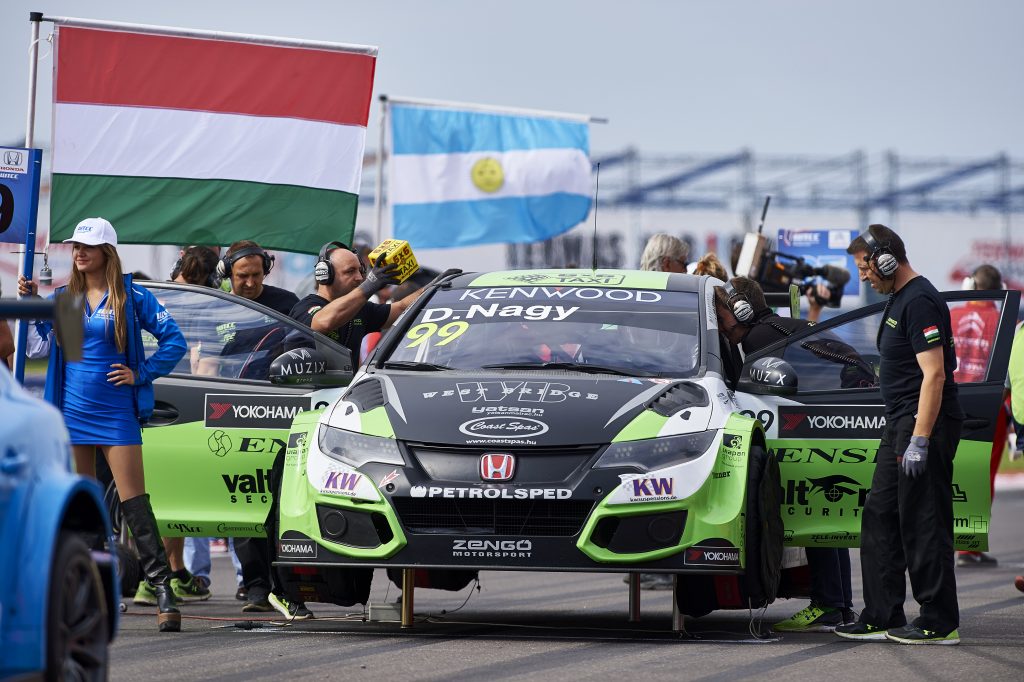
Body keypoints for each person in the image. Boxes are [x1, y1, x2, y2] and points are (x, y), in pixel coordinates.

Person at [19, 217, 187, 632]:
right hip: (73, 412)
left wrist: (141, 373)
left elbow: (175, 341)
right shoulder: (66, 297)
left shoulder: (132, 296)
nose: (79, 252)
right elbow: (68, 348)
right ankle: (94, 589)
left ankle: (164, 590)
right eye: (76, 246)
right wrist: (39, 305)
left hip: (115, 413)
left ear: (106, 252)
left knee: (134, 504)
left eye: (88, 247)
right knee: (86, 504)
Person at [835, 224, 964, 645]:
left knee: (923, 520)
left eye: (865, 267)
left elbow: (935, 375)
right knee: (880, 515)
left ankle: (938, 621)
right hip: (901, 422)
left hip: (921, 422)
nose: (864, 277)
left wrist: (920, 439)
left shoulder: (921, 300)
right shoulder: (898, 300)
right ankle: (881, 613)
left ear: (886, 259)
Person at [714, 276, 857, 631]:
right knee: (829, 517)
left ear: (741, 310)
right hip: (839, 412)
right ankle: (838, 605)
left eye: (722, 315)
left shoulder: (760, 338)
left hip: (825, 416)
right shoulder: (773, 328)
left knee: (816, 513)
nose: (719, 324)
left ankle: (828, 603)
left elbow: (757, 391)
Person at [207, 240, 304, 616]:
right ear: (227, 274)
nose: (248, 283)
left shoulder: (286, 302)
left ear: (267, 270)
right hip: (230, 413)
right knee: (243, 502)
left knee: (279, 505)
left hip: (279, 413)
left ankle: (285, 586)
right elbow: (203, 361)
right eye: (240, 276)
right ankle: (256, 587)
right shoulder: (215, 304)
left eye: (255, 275)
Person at [136, 246, 223, 607]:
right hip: (175, 407)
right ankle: (160, 577)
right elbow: (207, 366)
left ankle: (168, 575)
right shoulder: (202, 303)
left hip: (143, 401)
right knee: (167, 496)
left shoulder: (152, 295)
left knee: (150, 496)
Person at [951, 264, 1006, 567]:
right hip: (989, 405)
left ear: (970, 285)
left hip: (950, 401)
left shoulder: (951, 313)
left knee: (947, 471)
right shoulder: (1001, 319)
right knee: (982, 476)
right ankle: (968, 545)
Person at [288, 241, 425, 363]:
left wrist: (435, 286)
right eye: (350, 271)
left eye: (361, 270)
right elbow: (325, 322)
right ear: (325, 274)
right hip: (310, 391)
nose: (359, 278)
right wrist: (370, 285)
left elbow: (402, 308)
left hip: (346, 391)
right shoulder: (305, 307)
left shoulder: (361, 309)